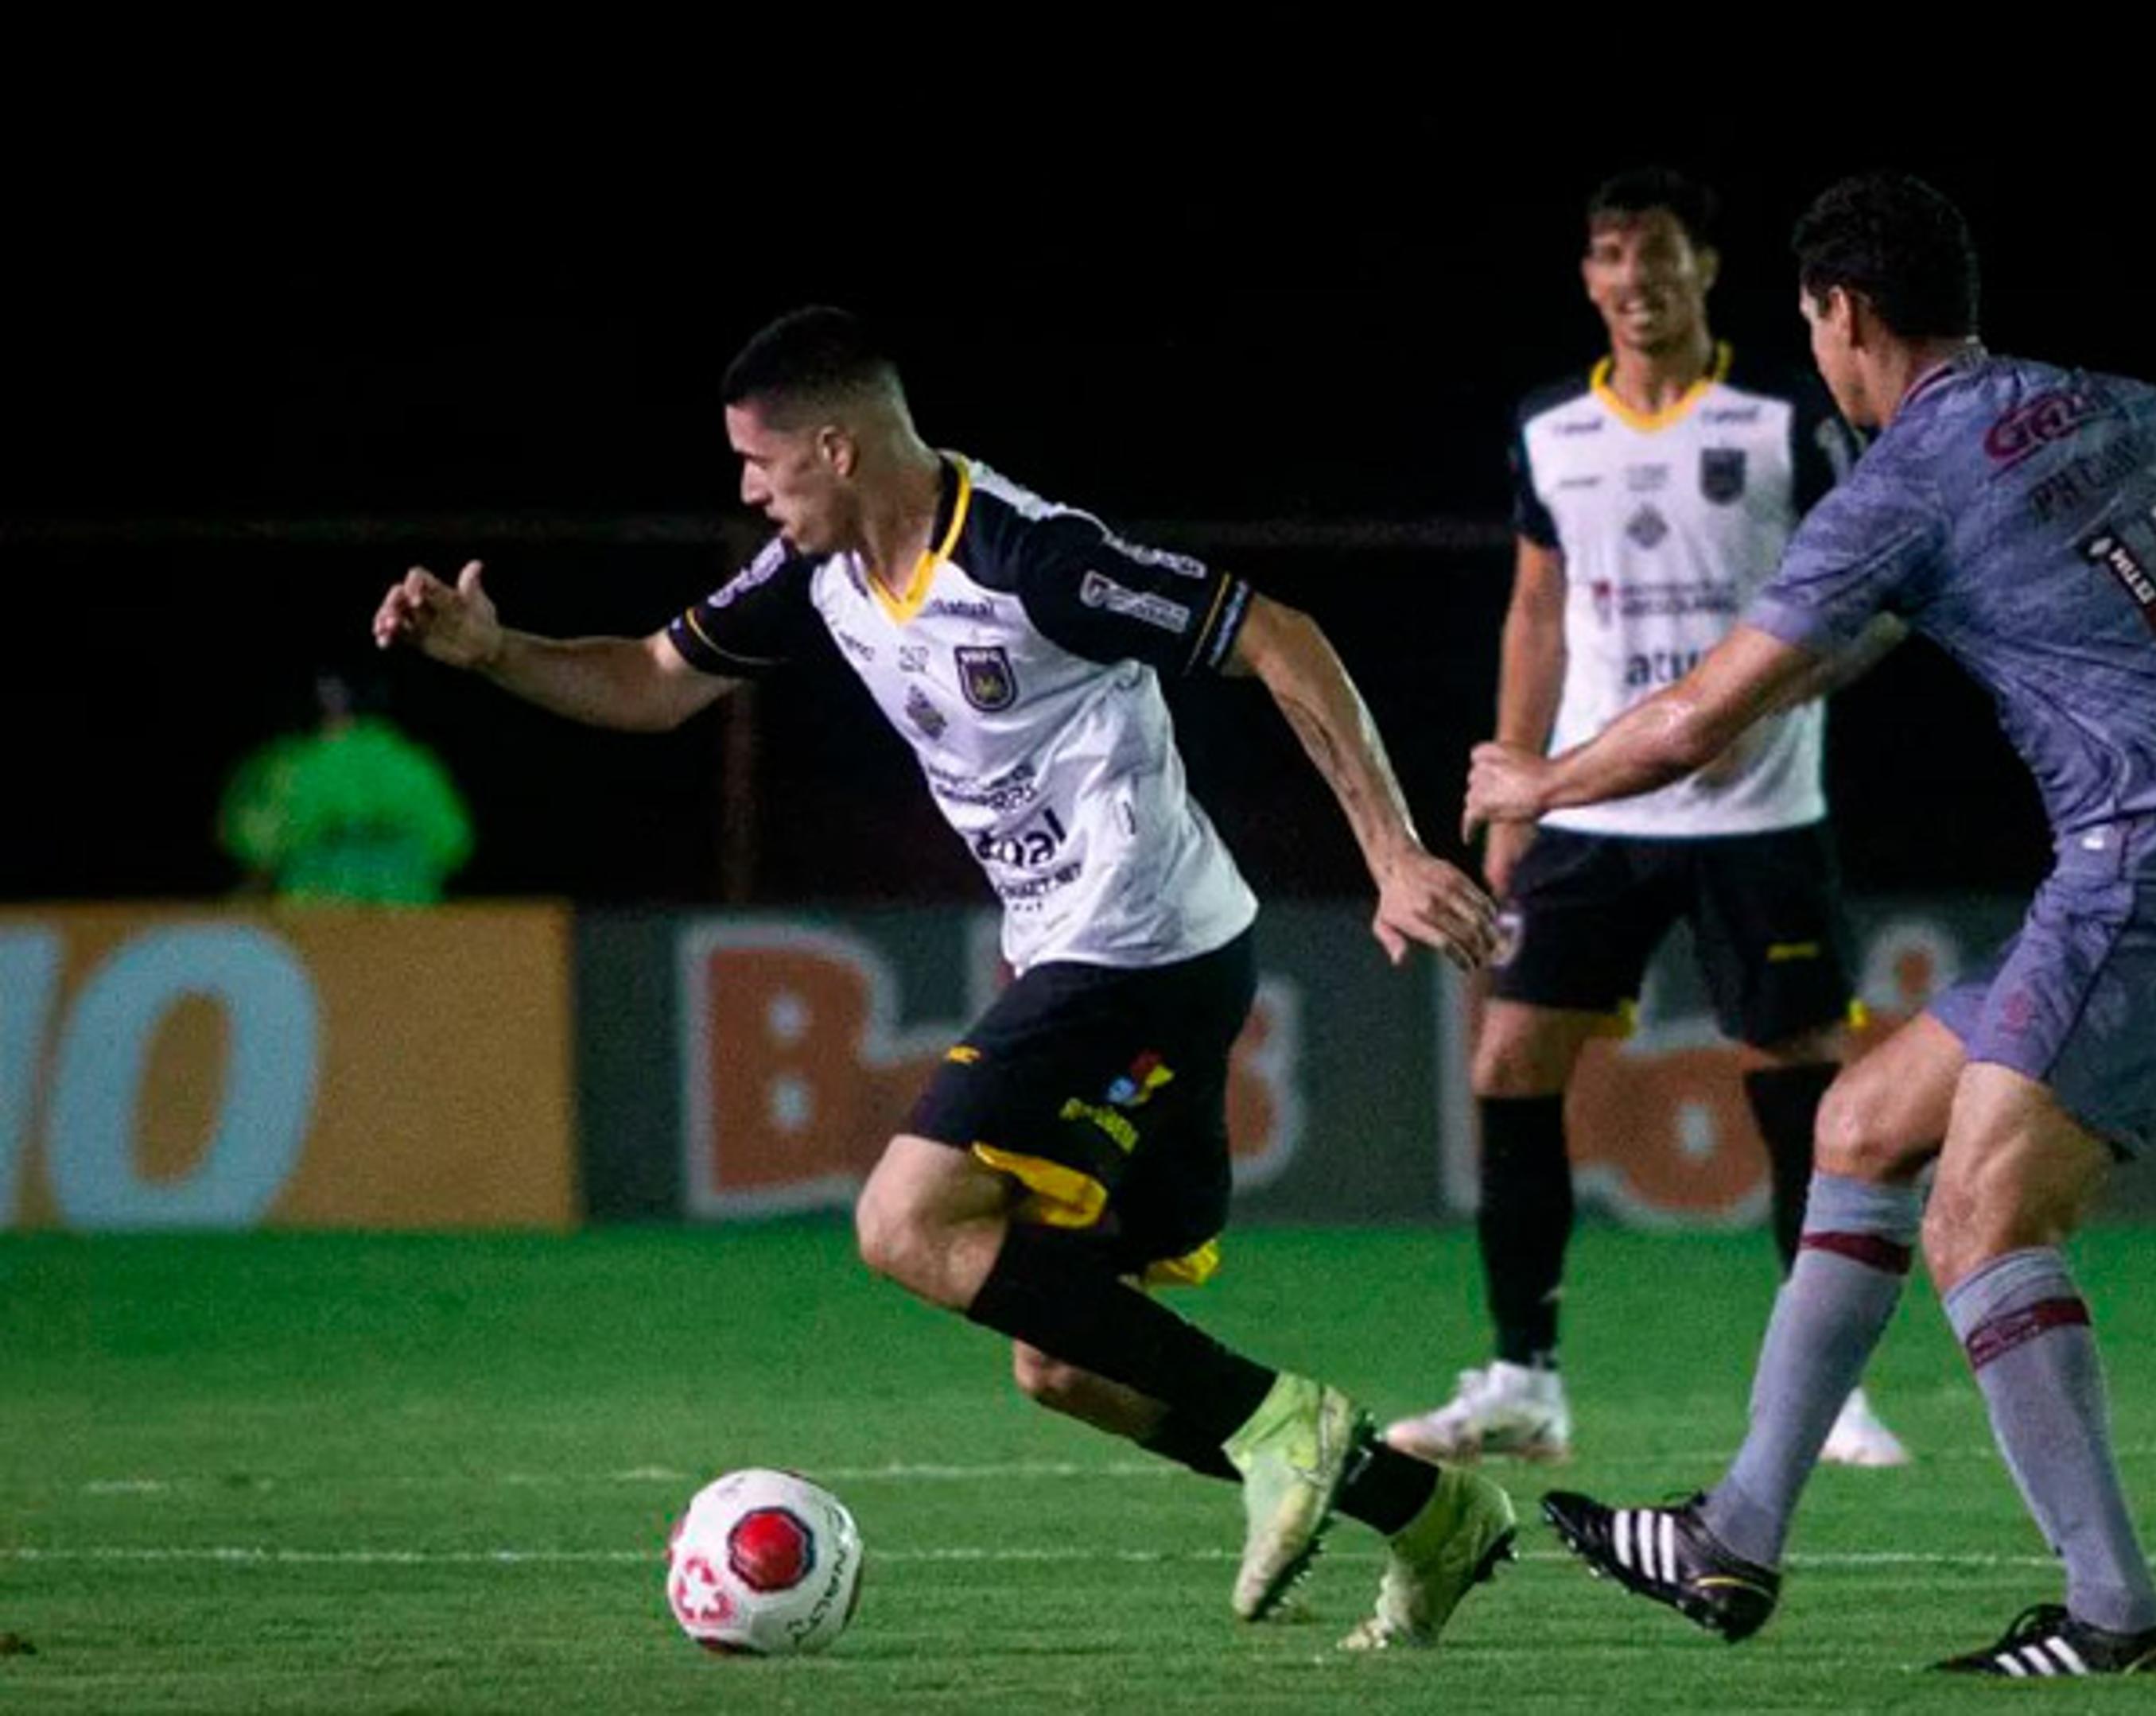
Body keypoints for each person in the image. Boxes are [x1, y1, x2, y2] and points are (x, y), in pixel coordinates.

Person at [1470, 174, 2156, 1676]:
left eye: (1819, 329)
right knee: (1860, 1119)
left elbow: (1684, 727)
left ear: (1844, 315)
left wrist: (1538, 775)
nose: (1825, 360)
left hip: (2155, 864)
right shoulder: (2098, 403)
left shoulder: (1901, 481)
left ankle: (2113, 1609)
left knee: (1984, 1217)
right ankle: (1737, 1530)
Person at [373, 307, 1517, 1651]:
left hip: (1140, 941)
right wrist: (494, 653)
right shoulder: (816, 573)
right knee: (1066, 1361)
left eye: (759, 462)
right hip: (1117, 955)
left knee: (903, 1219)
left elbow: (1278, 632)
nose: (746, 490)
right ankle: (1433, 1514)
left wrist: (1390, 850)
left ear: (836, 445)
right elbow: (650, 681)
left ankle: (1288, 1425)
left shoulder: (1035, 559)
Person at [1389, 167, 1906, 1471]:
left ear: (1705, 269)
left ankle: (1826, 1389)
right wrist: (1510, 797)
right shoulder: (1552, 426)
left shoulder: (1786, 413)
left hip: (1761, 809)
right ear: (1588, 276)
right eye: (1611, 254)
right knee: (1510, 1061)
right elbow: (1537, 609)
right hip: (1594, 803)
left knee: (1799, 1086)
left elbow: (1887, 587)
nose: (1636, 279)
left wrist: (1790, 682)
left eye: (1659, 253)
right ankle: (1522, 1378)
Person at [218, 670, 472, 903]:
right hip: (409, 919)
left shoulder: (287, 766)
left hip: (313, 923)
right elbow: (452, 844)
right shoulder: (415, 766)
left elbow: (254, 848)